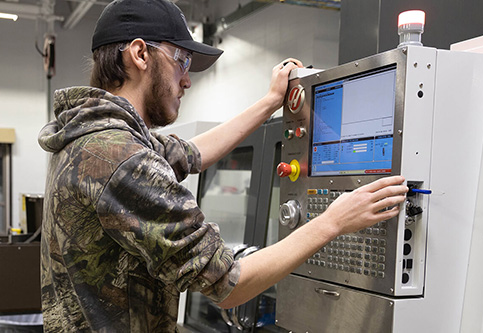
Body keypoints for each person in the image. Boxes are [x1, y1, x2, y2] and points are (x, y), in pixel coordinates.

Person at [38, 0, 408, 331]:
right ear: (139, 55)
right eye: (182, 61)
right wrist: (333, 221)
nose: (187, 80)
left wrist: (270, 102)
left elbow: (191, 153)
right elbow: (230, 283)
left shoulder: (91, 137)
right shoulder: (123, 158)